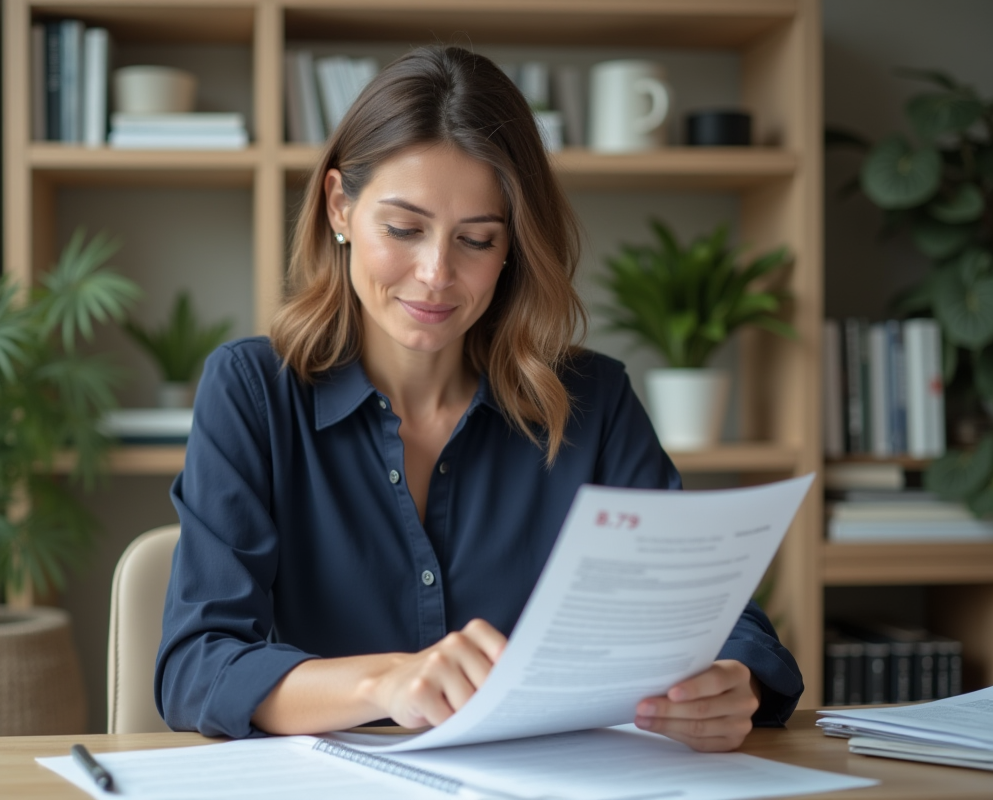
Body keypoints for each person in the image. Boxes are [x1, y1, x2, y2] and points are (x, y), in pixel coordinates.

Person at [156, 45, 803, 753]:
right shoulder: (253, 394)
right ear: (340, 206)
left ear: (512, 249)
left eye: (477, 239)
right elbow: (198, 665)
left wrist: (735, 678)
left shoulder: (595, 400)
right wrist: (387, 684)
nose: (436, 274)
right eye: (403, 229)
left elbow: (719, 618)